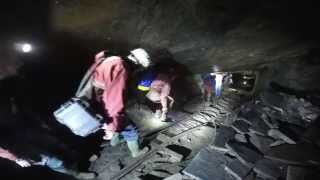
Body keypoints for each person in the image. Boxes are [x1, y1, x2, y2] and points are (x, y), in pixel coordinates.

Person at [91, 48, 150, 158]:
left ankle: (115, 139)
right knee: (130, 130)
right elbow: (114, 98)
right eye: (138, 68)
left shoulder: (111, 60)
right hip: (106, 107)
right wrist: (111, 127)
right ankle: (136, 152)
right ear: (136, 62)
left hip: (96, 104)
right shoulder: (121, 68)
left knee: (121, 125)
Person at [0, 146, 96, 179]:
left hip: (22, 129)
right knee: (51, 160)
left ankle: (81, 159)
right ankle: (77, 174)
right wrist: (16, 158)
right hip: (17, 150)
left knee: (58, 145)